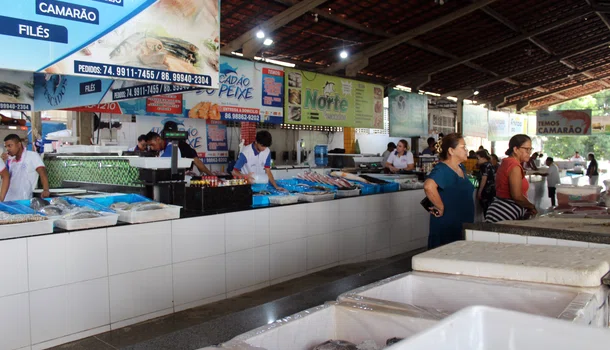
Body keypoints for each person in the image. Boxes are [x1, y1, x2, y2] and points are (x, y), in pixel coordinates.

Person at [423, 133, 474, 249]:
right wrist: (440, 207)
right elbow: (428, 186)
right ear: (451, 151)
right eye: (463, 147)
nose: (466, 150)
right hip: (447, 224)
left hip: (462, 222)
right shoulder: (442, 169)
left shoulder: (461, 167)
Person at [485, 134, 537, 223]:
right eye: (526, 149)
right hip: (504, 212)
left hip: (501, 210)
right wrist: (531, 207)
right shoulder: (514, 166)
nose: (529, 152)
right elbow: (517, 196)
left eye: (530, 149)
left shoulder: (507, 162)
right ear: (515, 149)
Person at [146, 131, 214, 176]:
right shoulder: (159, 151)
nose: (152, 148)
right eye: (150, 146)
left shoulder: (179, 145)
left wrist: (212, 176)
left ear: (158, 139)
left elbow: (197, 162)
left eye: (152, 145)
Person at [3, 134, 50, 201]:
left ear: (19, 144)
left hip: (23, 200)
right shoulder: (10, 160)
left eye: (10, 146)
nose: (7, 149)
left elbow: (42, 172)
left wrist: (46, 189)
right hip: (7, 199)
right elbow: (5, 178)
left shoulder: (32, 156)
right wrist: (2, 162)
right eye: (6, 147)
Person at [476, 150, 496, 215]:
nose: (477, 160)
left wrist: (480, 191)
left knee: (486, 208)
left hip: (486, 190)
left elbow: (484, 178)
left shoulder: (484, 166)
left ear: (483, 158)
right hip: (492, 189)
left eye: (478, 159)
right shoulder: (490, 164)